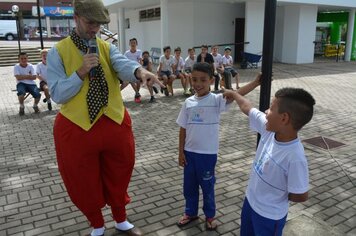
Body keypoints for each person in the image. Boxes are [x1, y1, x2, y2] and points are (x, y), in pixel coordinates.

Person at [46, 1, 163, 235]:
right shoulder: (57, 52)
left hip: (114, 122)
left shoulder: (107, 48)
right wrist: (80, 72)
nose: (95, 28)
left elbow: (123, 65)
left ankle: (121, 219)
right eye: (91, 22)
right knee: (82, 180)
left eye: (99, 24)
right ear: (76, 17)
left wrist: (141, 72)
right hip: (76, 128)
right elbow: (58, 94)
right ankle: (97, 224)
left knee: (121, 171)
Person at [176, 62, 262, 231]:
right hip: (189, 154)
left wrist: (256, 83)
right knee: (189, 187)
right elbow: (182, 129)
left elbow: (237, 94)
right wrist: (180, 152)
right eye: (194, 79)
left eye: (203, 80)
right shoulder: (188, 103)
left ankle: (209, 216)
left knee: (207, 188)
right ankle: (190, 212)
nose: (198, 84)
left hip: (207, 155)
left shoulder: (216, 100)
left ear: (210, 80)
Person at [223, 87, 315, 236]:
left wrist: (277, 195)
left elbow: (301, 194)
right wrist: (234, 94)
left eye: (271, 109)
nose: (266, 111)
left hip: (269, 216)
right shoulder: (269, 130)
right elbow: (248, 107)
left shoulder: (295, 157)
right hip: (250, 203)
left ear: (284, 118)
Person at [124, 38, 143, 103]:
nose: (133, 44)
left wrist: (140, 66)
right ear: (129, 44)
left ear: (136, 44)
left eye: (134, 43)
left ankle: (136, 95)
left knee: (138, 82)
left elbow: (140, 60)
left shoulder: (139, 51)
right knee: (131, 80)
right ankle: (137, 94)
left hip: (137, 69)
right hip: (129, 70)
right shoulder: (126, 53)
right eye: (131, 43)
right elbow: (124, 62)